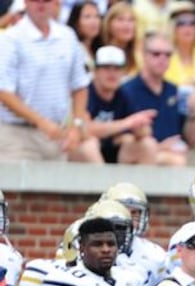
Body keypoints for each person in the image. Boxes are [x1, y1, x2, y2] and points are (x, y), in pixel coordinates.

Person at [0, 0, 92, 162]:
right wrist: (41, 122)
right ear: (26, 2)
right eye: (36, 0)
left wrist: (76, 126)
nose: (41, 4)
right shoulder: (10, 39)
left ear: (57, 3)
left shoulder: (67, 36)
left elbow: (80, 86)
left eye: (47, 0)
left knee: (54, 187)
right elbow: (4, 93)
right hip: (16, 134)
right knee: (16, 187)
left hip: (56, 135)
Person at [121, 32, 189, 166]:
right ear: (144, 55)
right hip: (137, 159)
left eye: (168, 55)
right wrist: (159, 147)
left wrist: (193, 113)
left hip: (171, 154)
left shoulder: (173, 90)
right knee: (175, 161)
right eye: (156, 54)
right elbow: (118, 138)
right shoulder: (126, 90)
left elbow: (181, 134)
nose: (162, 59)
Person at [85, 46, 159, 164]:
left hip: (114, 152)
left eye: (117, 68)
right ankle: (100, 182)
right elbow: (85, 129)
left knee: (148, 145)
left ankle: (142, 183)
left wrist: (139, 129)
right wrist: (126, 124)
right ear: (95, 71)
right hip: (85, 155)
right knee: (89, 144)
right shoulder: (86, 92)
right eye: (106, 68)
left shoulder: (124, 94)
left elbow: (145, 131)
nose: (112, 73)